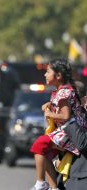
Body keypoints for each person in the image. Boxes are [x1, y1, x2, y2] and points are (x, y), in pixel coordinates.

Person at [29, 58, 87, 190]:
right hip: (66, 131)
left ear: (58, 76)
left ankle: (40, 183)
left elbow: (65, 116)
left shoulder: (63, 93)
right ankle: (53, 187)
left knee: (39, 144)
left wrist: (50, 114)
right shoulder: (62, 91)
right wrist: (50, 105)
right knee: (45, 153)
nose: (45, 74)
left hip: (69, 132)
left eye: (48, 71)